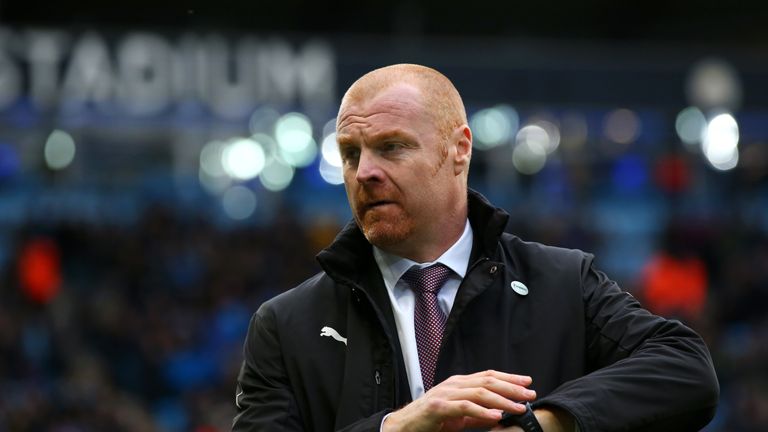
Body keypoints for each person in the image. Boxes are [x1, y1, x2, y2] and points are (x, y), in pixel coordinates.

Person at [232, 64, 719, 431]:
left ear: (459, 148)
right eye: (350, 154)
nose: (365, 173)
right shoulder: (285, 324)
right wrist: (397, 426)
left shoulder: (562, 281)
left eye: (392, 147)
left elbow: (686, 370)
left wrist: (543, 423)